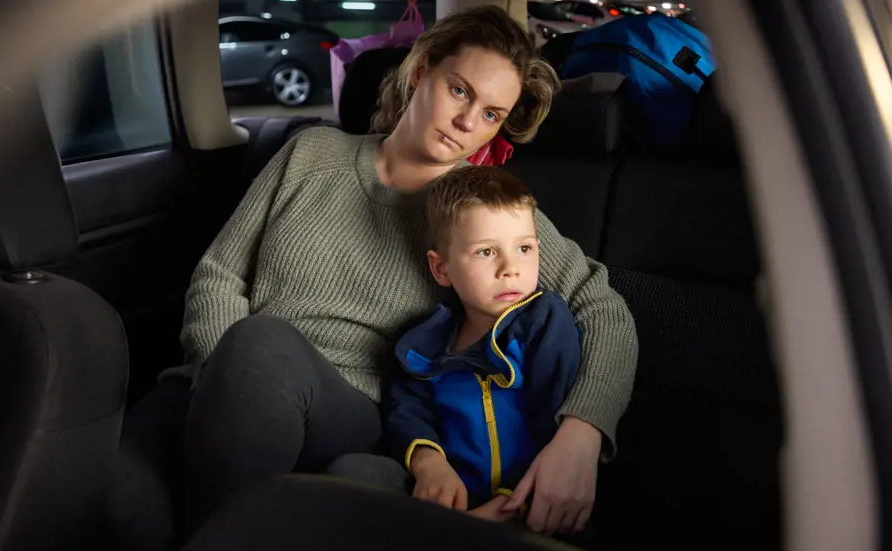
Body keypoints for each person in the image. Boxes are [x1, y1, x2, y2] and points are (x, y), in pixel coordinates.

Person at [178, 4, 638, 537]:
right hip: (233, 381)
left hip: (354, 413)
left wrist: (581, 435)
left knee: (262, 346)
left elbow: (603, 308)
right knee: (123, 502)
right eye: (460, 90)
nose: (468, 122)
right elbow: (219, 274)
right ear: (421, 72)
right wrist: (226, 388)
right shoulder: (311, 152)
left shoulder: (477, 214)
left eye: (491, 114)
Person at [383, 166, 581, 523]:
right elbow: (408, 409)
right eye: (486, 252)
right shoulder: (424, 342)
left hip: (530, 507)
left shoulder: (544, 323)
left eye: (524, 248)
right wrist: (430, 463)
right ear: (441, 269)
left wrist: (512, 504)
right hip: (449, 502)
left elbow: (553, 425)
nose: (510, 268)